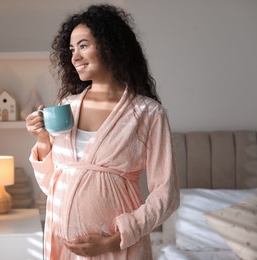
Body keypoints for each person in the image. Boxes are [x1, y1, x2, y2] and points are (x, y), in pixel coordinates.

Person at [26, 4, 179, 259]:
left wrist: (116, 239)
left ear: (110, 46)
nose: (74, 57)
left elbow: (166, 195)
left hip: (119, 249)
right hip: (64, 248)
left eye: (83, 46)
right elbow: (53, 185)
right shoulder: (67, 107)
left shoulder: (147, 114)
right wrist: (43, 141)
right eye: (72, 49)